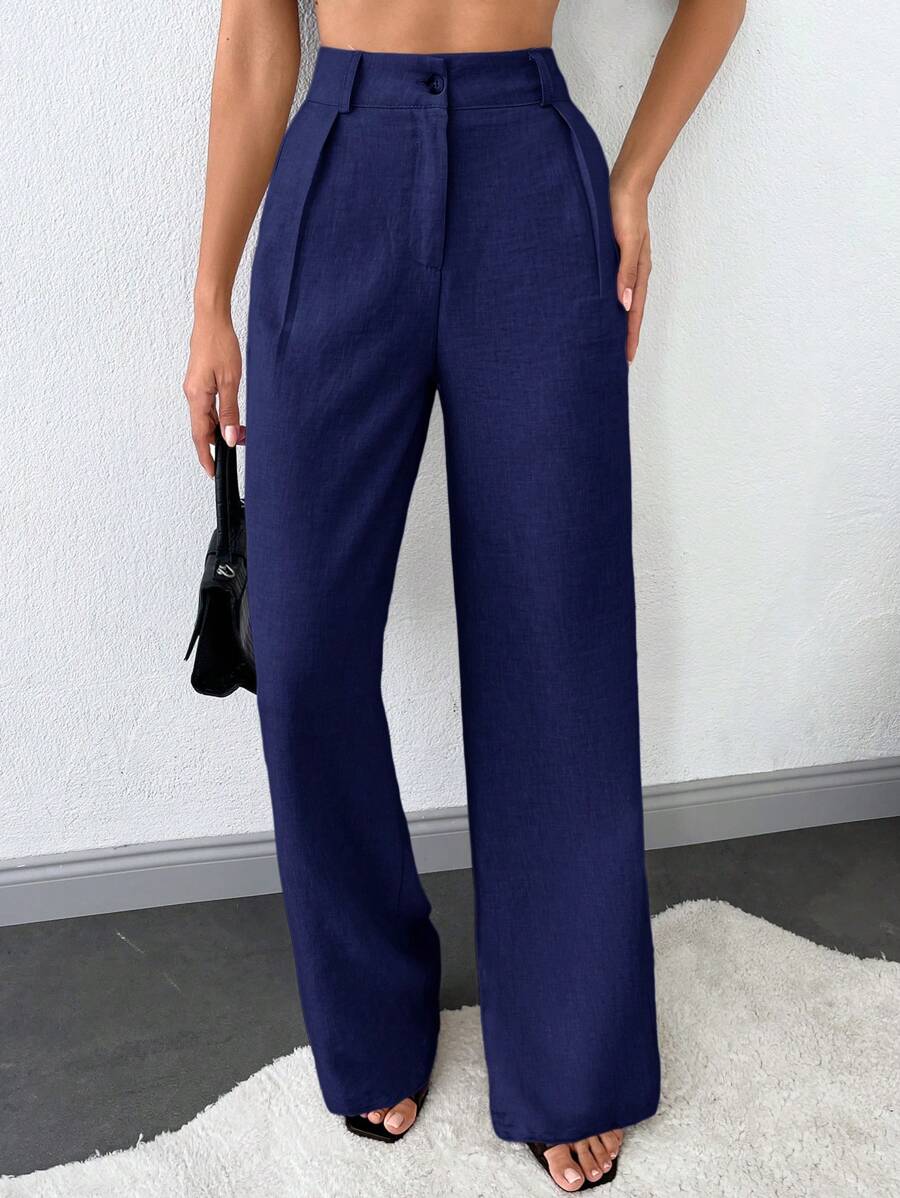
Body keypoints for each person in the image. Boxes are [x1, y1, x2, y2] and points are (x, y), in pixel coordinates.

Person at [183, 1, 744, 1191]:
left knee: (556, 632)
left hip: (530, 175)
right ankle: (373, 1007)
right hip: (338, 173)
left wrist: (635, 178)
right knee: (302, 645)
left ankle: (568, 1049)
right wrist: (208, 299)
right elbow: (255, 47)